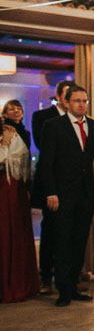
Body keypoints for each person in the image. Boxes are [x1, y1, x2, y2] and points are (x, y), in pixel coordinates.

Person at [37, 85, 94, 307]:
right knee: (63, 242)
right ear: (66, 103)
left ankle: (74, 285)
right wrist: (50, 191)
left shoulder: (93, 126)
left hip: (85, 194)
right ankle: (63, 290)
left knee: (80, 242)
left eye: (85, 101)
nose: (82, 104)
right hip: (61, 194)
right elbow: (46, 163)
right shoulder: (53, 126)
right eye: (77, 100)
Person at [30, 79, 74, 293]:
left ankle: (68, 275)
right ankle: (45, 275)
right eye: (67, 95)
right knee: (50, 229)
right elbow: (42, 146)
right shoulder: (42, 117)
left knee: (71, 231)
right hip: (52, 181)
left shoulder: (80, 120)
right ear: (59, 96)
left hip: (73, 184)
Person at [1, 117, 39, 303]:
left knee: (13, 234)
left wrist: (7, 144)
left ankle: (15, 284)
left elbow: (20, 163)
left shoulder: (12, 133)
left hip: (13, 191)